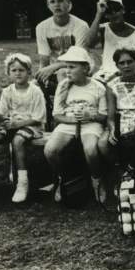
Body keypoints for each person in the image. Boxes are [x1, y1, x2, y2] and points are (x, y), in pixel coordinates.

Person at [44, 46, 109, 205]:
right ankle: (62, 178)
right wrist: (73, 120)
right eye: (66, 66)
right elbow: (57, 115)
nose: (67, 71)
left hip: (91, 124)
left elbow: (104, 116)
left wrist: (90, 116)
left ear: (86, 68)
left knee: (91, 149)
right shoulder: (64, 86)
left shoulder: (98, 87)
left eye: (72, 67)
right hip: (68, 123)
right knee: (50, 150)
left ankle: (97, 180)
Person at [0, 52, 47, 204]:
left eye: (21, 70)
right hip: (12, 125)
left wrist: (17, 124)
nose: (18, 73)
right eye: (14, 70)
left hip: (33, 127)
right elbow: (1, 112)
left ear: (29, 72)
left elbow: (39, 117)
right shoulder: (8, 91)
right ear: (8, 73)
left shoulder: (35, 91)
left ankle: (22, 182)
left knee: (17, 141)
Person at [35, 0, 91, 88]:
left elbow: (78, 59)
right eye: (52, 1)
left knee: (63, 73)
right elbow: (44, 60)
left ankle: (63, 103)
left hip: (78, 69)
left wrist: (55, 66)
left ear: (69, 3)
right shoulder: (41, 27)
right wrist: (42, 75)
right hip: (53, 70)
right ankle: (47, 104)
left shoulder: (81, 25)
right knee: (34, 84)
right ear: (48, 6)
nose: (56, 5)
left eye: (60, 0)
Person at [105, 48, 135, 174]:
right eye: (122, 63)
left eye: (130, 61)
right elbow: (110, 115)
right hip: (121, 122)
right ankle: (116, 177)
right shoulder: (111, 85)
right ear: (117, 66)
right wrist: (113, 129)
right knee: (104, 144)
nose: (126, 66)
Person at [84, 0, 135, 83]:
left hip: (128, 74)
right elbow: (88, 43)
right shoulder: (103, 29)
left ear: (123, 10)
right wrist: (98, 14)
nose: (114, 13)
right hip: (105, 75)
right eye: (109, 11)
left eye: (116, 9)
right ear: (106, 15)